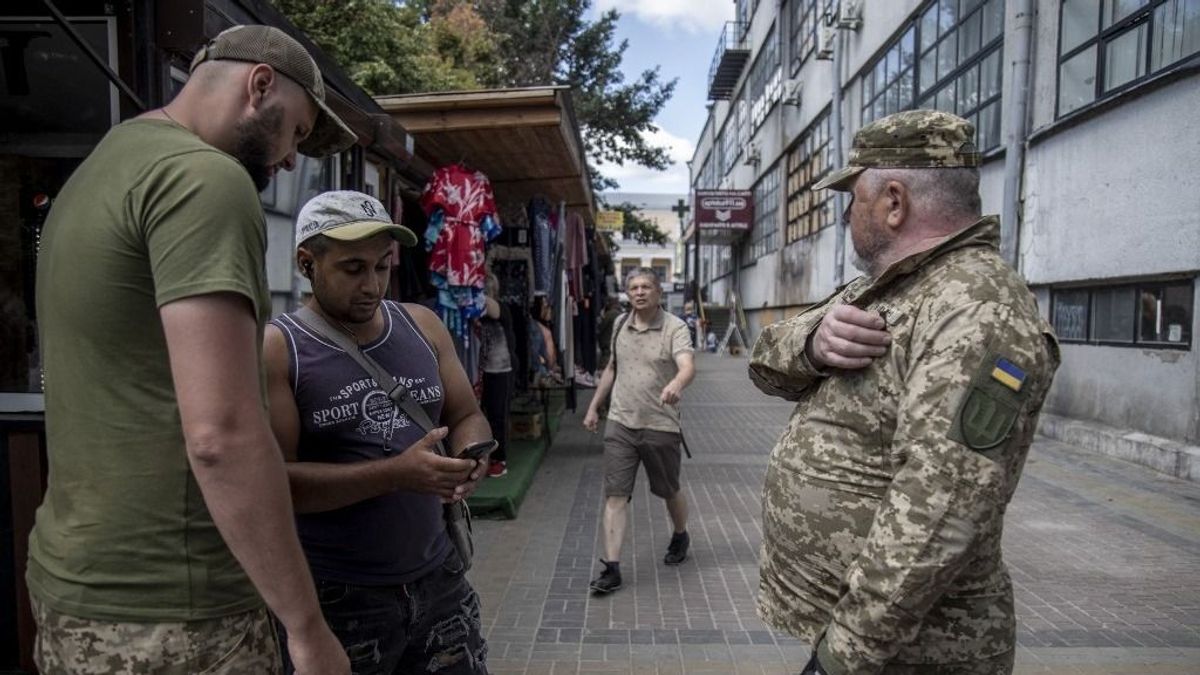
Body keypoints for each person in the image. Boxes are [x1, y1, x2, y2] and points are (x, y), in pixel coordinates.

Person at [29, 24, 355, 674]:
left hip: (73, 587)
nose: (291, 159)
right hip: (178, 610)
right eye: (294, 131)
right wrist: (306, 624)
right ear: (259, 85)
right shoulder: (204, 179)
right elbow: (221, 435)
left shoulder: (103, 167)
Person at [748, 110, 1060, 674]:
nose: (847, 214)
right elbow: (765, 360)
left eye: (853, 196)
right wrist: (812, 344)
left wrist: (844, 654)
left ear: (894, 201)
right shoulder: (892, 285)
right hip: (865, 636)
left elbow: (943, 503)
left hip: (913, 652)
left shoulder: (976, 305)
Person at [264, 191, 494, 674]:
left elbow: (467, 412)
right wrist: (396, 474)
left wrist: (472, 454)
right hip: (340, 596)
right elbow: (276, 485)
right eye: (352, 269)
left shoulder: (423, 325)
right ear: (308, 263)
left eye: (382, 267)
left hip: (439, 579)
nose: (371, 285)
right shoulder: (281, 349)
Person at [583, 268, 696, 594]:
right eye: (634, 287)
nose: (640, 292)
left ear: (658, 292)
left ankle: (680, 533)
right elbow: (612, 368)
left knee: (668, 490)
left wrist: (677, 382)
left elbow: (687, 365)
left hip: (660, 425)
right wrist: (594, 407)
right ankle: (612, 567)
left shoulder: (674, 327)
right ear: (627, 292)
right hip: (620, 423)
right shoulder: (620, 324)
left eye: (647, 286)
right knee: (615, 495)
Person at [481, 272, 518, 477]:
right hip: (479, 369)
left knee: (497, 415)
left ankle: (499, 459)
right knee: (480, 414)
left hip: (500, 369)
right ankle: (482, 457)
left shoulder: (501, 308)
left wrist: (471, 290)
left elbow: (492, 310)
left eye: (488, 287)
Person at [596, 296, 622, 369]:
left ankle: (603, 370)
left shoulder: (609, 314)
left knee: (606, 356)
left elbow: (601, 327)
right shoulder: (620, 314)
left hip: (607, 339)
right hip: (615, 339)